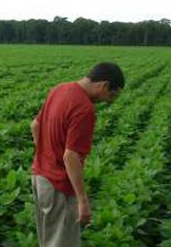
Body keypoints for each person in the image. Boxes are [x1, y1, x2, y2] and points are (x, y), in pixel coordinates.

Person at [31, 62, 125, 247]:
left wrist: (46, 154)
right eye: (111, 95)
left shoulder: (59, 89)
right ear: (104, 85)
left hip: (39, 178)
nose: (108, 101)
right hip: (59, 185)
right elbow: (71, 156)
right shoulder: (84, 108)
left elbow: (34, 125)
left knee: (47, 241)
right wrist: (83, 199)